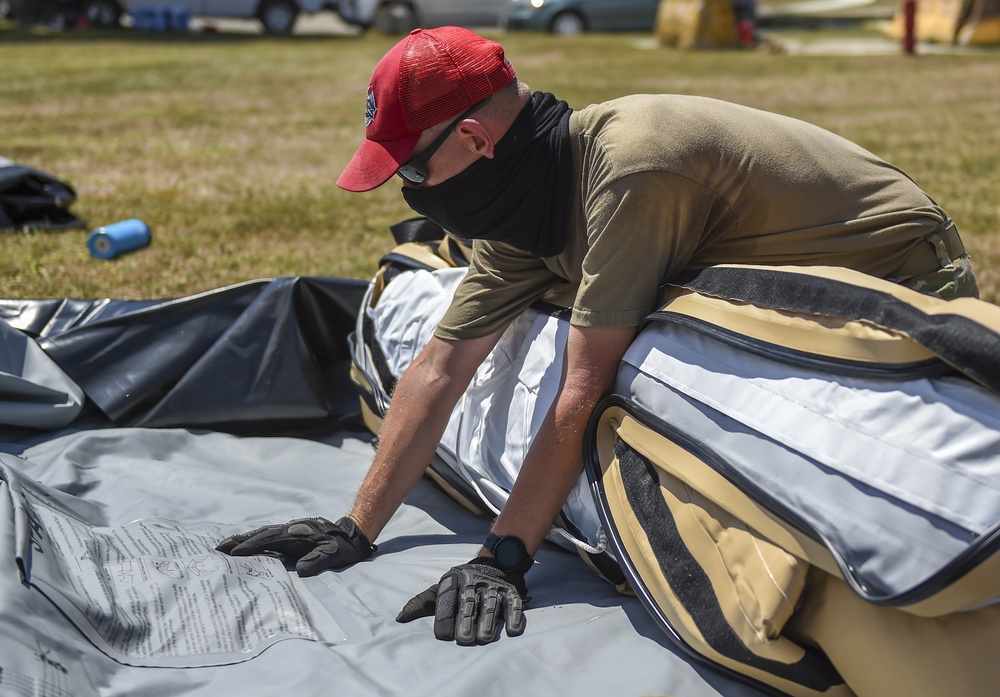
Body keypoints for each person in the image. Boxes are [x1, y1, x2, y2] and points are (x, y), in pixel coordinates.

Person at [217, 26, 980, 646]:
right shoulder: (528, 211)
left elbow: (581, 389)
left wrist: (502, 558)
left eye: (412, 167)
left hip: (899, 281)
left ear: (478, 140)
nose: (410, 190)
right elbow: (439, 366)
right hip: (769, 280)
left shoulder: (627, 168)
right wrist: (356, 527)